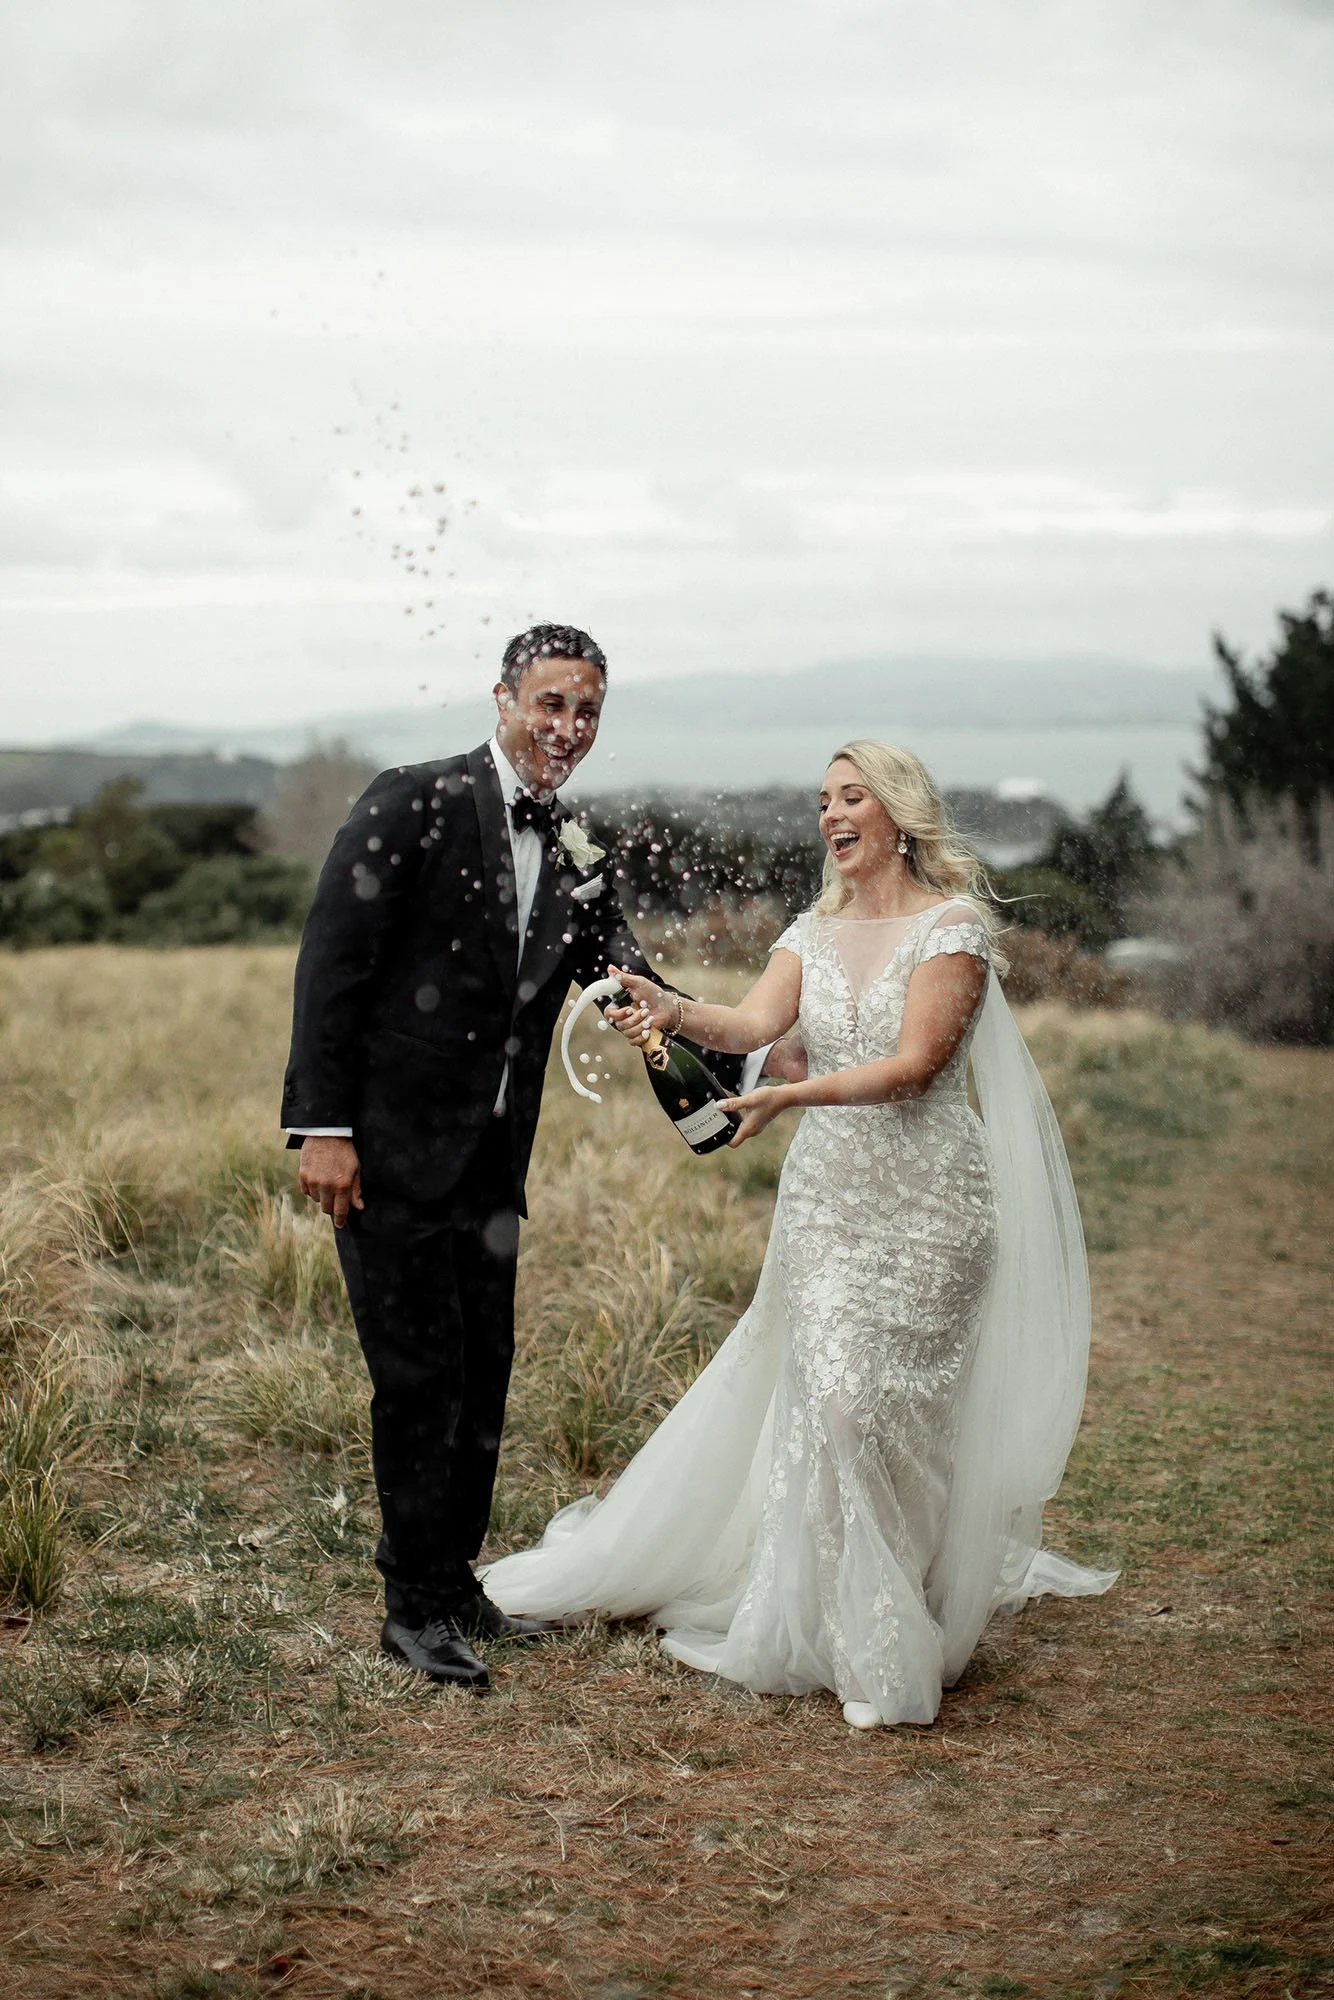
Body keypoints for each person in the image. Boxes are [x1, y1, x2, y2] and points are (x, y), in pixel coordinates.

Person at [484, 740, 1117, 1728]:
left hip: (930, 1207)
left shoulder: (950, 927)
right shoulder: (810, 929)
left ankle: (898, 1601)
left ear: (897, 814)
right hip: (825, 1203)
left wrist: (788, 1097)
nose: (830, 813)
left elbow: (910, 1068)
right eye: (822, 799)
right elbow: (743, 1023)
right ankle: (853, 1636)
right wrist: (668, 1005)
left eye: (851, 795)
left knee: (893, 1414)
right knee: (834, 1402)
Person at [281, 626, 781, 1691]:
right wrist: (320, 1127)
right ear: (502, 695)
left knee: (481, 1375)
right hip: (385, 1154)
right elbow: (331, 967)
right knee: (417, 1381)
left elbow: (631, 983)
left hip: (494, 1166)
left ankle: (455, 1586)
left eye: (587, 710)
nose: (568, 728)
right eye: (551, 703)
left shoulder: (573, 849)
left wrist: (735, 1074)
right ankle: (411, 1605)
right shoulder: (407, 801)